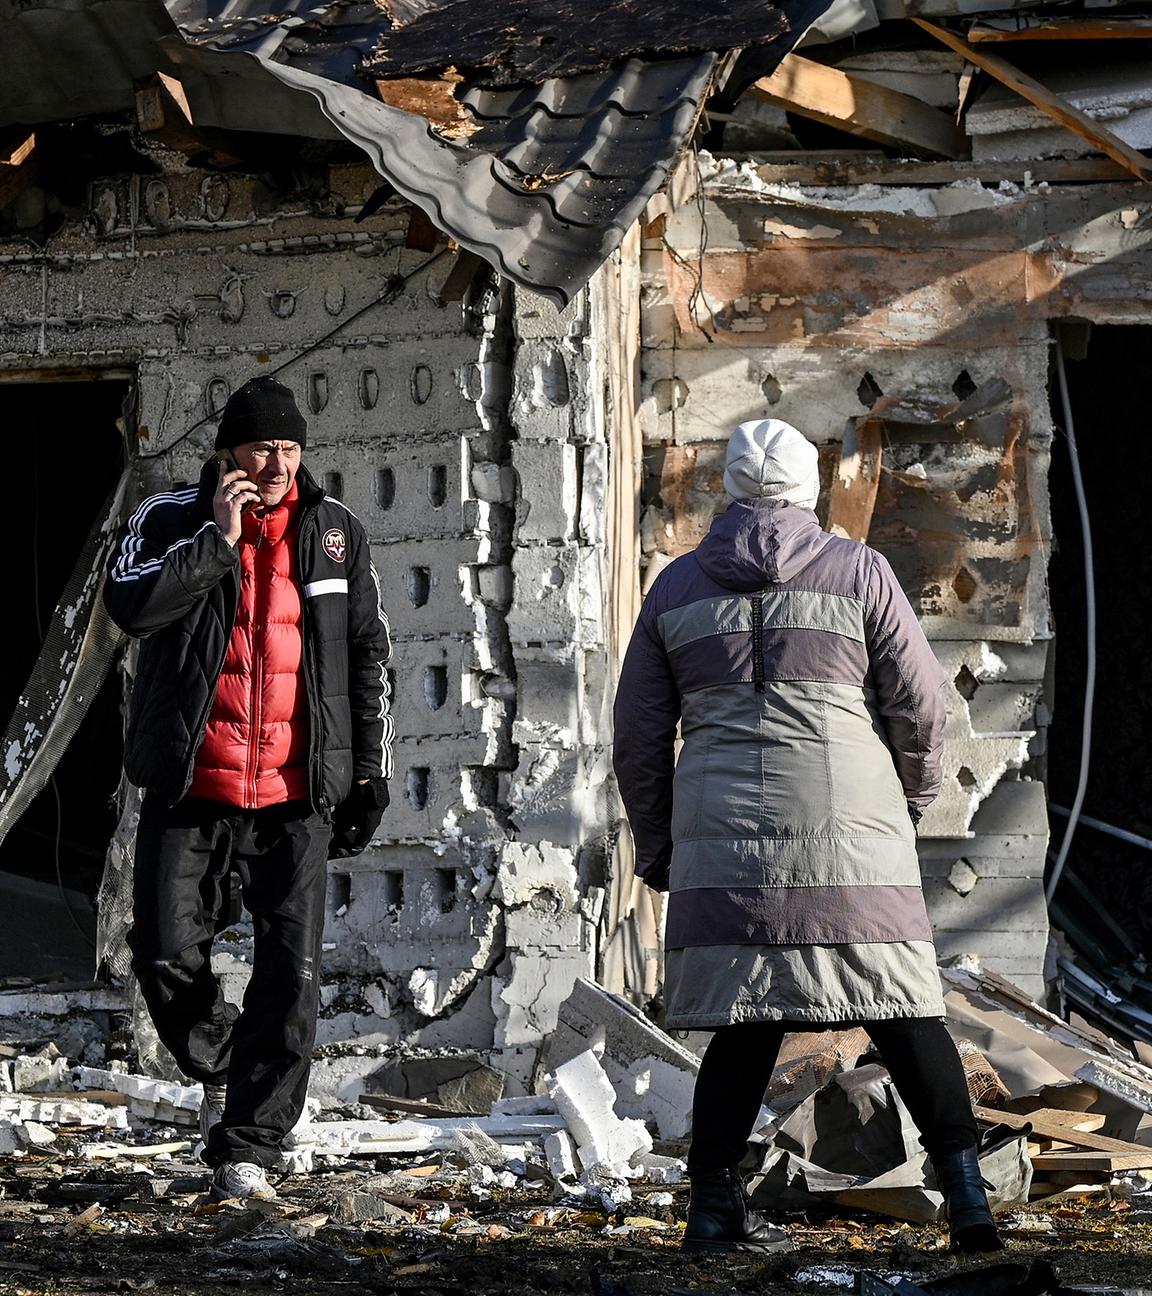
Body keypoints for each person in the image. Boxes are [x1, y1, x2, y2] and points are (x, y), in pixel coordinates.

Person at [612, 418, 1000, 1255]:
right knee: (900, 1007)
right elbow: (921, 705)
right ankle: (967, 1197)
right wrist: (910, 799)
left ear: (730, 489)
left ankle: (713, 1209)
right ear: (806, 490)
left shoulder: (677, 589)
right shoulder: (860, 572)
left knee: (746, 1021)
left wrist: (659, 845)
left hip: (725, 834)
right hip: (851, 819)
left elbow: (639, 735)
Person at [104, 375, 394, 1202]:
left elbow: (368, 654)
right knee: (163, 951)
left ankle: (252, 1149)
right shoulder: (169, 519)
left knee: (290, 974)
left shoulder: (335, 532)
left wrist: (367, 770)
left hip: (295, 792)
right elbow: (133, 607)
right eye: (262, 446)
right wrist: (218, 542)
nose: (275, 462)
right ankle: (228, 1060)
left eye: (290, 448)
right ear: (229, 449)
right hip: (192, 783)